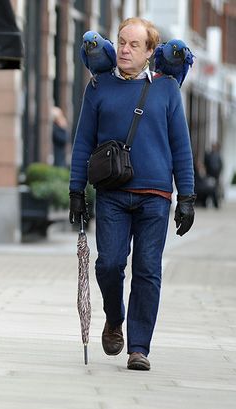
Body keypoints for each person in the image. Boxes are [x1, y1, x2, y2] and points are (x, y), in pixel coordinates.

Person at [68, 17, 195, 371]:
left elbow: (181, 147)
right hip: (112, 193)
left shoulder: (167, 89)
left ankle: (139, 346)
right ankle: (113, 317)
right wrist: (76, 191)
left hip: (155, 195)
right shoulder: (98, 87)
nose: (124, 49)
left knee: (148, 270)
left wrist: (187, 196)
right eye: (121, 42)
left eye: (133, 45)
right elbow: (82, 143)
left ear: (151, 52)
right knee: (108, 263)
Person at [204, 143, 223, 208]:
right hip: (210, 175)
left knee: (215, 190)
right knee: (210, 189)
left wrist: (218, 174)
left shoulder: (218, 156)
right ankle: (209, 203)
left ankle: (216, 203)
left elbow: (221, 165)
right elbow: (206, 164)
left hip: (216, 176)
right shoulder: (209, 155)